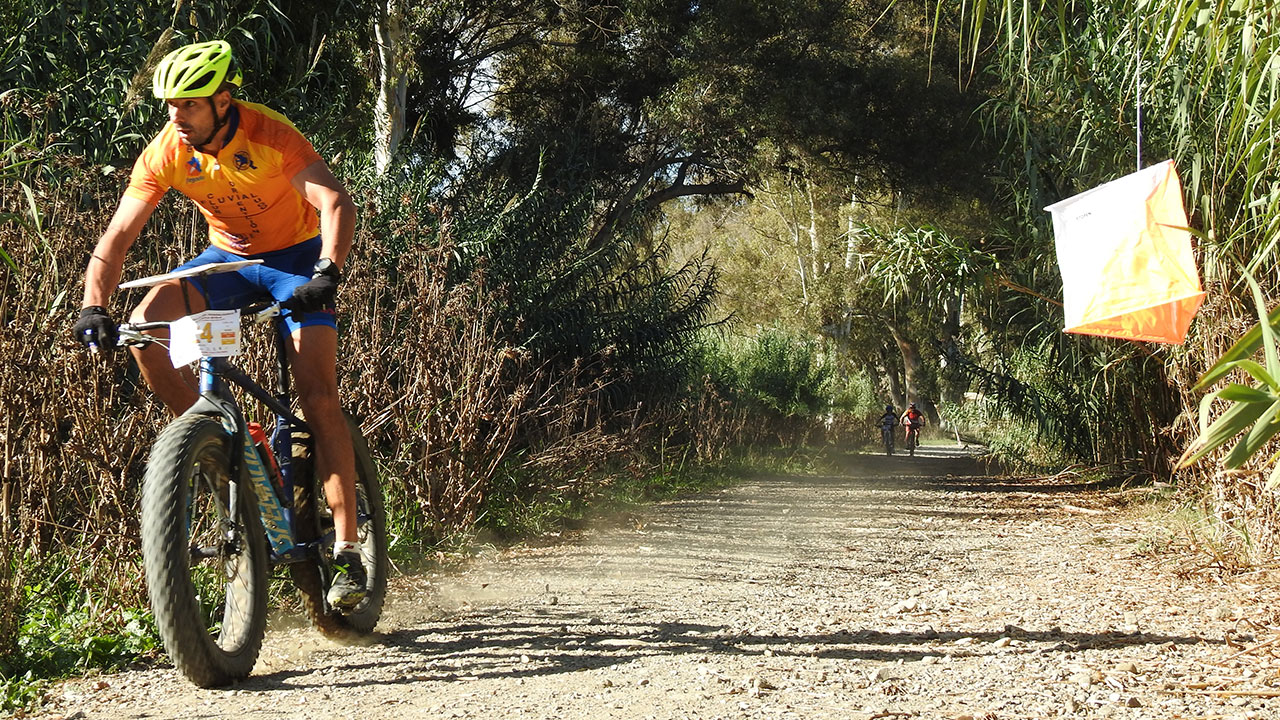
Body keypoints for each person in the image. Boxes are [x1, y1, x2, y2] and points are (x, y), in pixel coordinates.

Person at [71, 40, 366, 609]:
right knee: (144, 327)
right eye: (169, 106)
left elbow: (334, 202)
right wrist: (92, 306)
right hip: (225, 260)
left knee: (315, 393)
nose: (175, 117)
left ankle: (349, 550)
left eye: (188, 105)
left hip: (297, 261)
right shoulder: (166, 150)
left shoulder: (271, 134)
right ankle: (214, 445)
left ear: (223, 101)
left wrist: (328, 272)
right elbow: (118, 237)